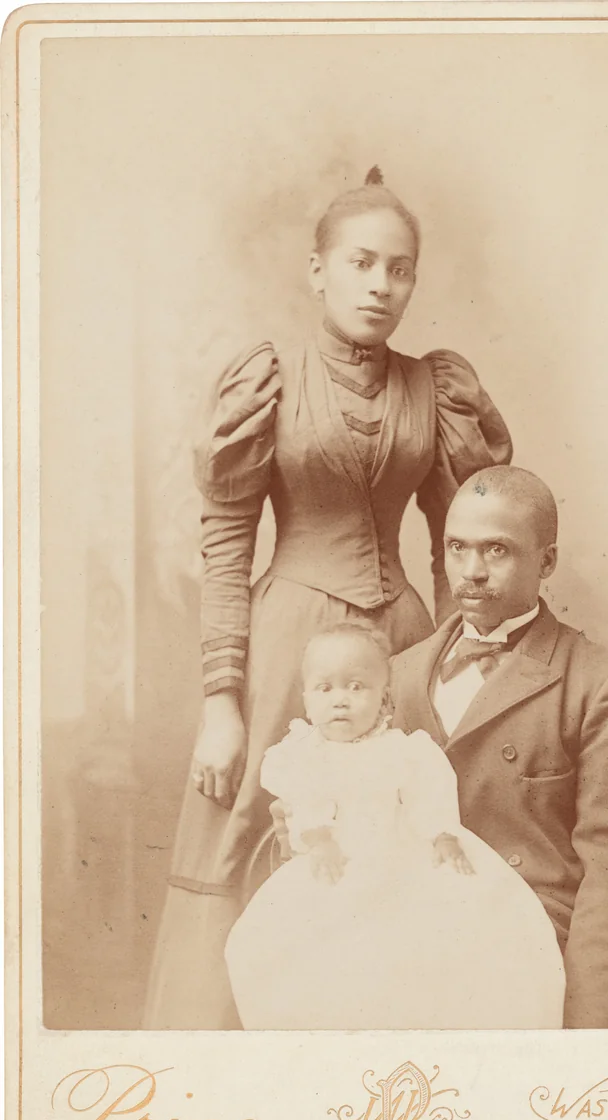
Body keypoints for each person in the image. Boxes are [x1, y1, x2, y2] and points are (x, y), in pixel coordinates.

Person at [144, 168, 512, 1029]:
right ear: (318, 270)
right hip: (287, 645)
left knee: (412, 837)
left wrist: (455, 661)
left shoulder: (437, 388)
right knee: (252, 834)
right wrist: (221, 704)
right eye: (360, 263)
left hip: (405, 645)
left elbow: (453, 542)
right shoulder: (269, 379)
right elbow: (228, 547)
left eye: (400, 268)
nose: (381, 285)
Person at [387, 465, 608, 1028]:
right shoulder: (397, 677)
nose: (471, 572)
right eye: (457, 547)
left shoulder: (599, 686)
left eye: (497, 551)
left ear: (547, 561)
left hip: (528, 946)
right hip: (406, 937)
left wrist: (584, 1040)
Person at [224, 622, 565, 1030]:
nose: (340, 702)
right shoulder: (302, 754)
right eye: (325, 689)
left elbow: (429, 789)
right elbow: (304, 801)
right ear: (306, 700)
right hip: (334, 861)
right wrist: (318, 839)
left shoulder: (402, 750)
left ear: (385, 699)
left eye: (356, 687)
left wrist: (441, 834)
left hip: (402, 858)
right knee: (300, 954)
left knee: (443, 946)